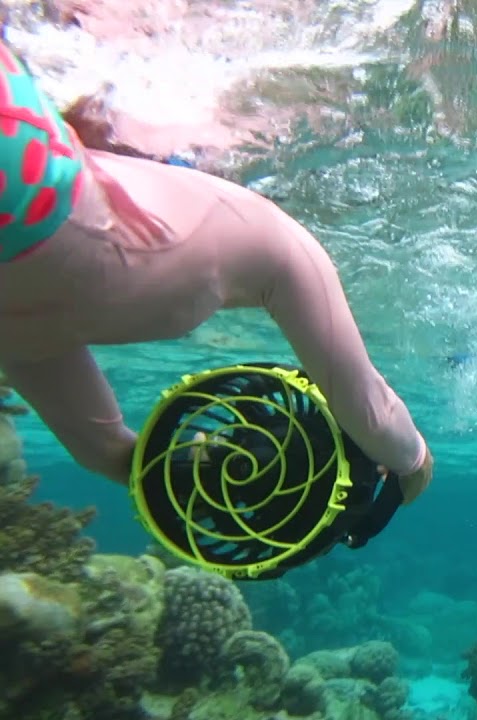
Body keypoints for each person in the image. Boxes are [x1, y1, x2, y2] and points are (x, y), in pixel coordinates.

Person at [0, 38, 435, 503]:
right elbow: (117, 458)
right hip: (107, 267)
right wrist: (415, 465)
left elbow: (112, 454)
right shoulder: (261, 235)